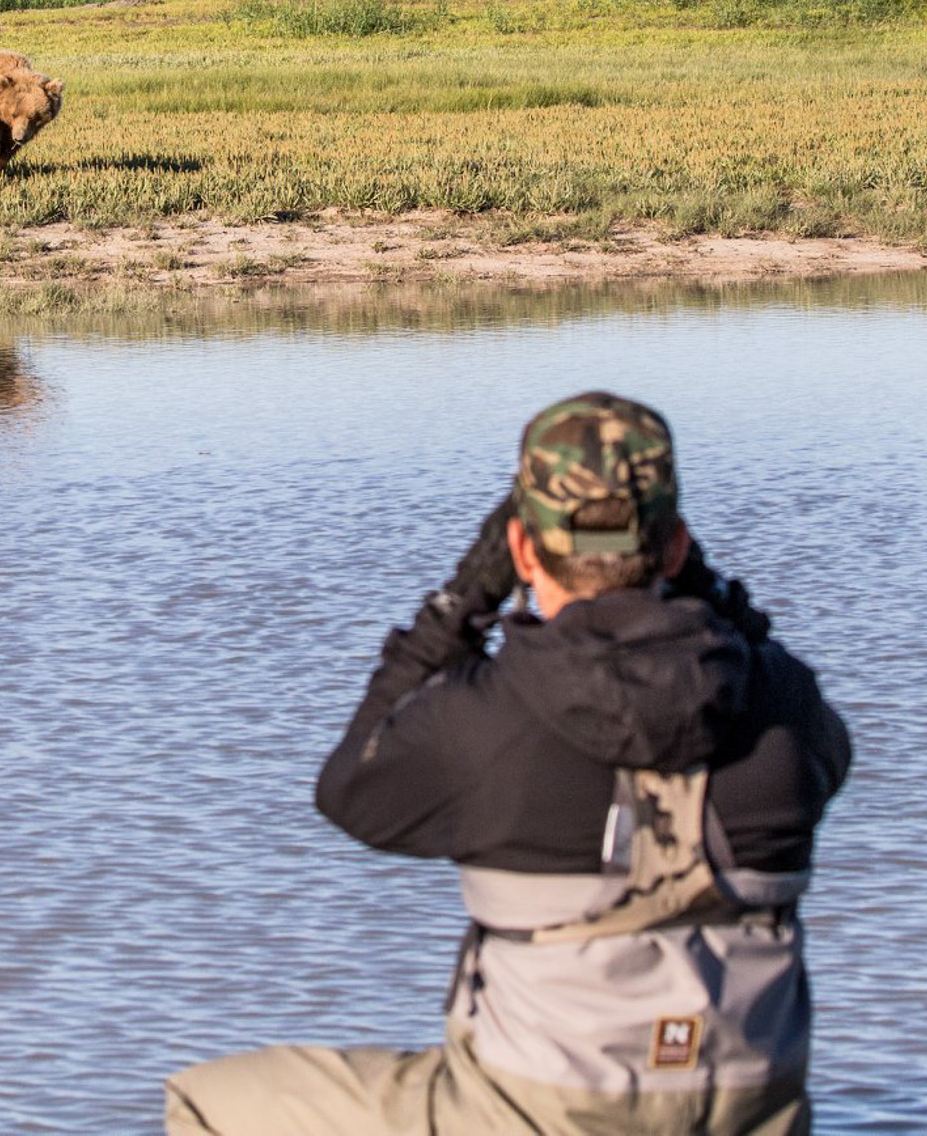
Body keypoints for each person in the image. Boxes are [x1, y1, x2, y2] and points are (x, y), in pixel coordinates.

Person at [165, 391, 851, 1136]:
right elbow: (815, 727)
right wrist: (710, 591)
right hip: (750, 1107)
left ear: (524, 550)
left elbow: (347, 787)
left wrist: (463, 599)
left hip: (534, 1110)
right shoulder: (784, 710)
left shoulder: (485, 717)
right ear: (677, 547)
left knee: (209, 1101)